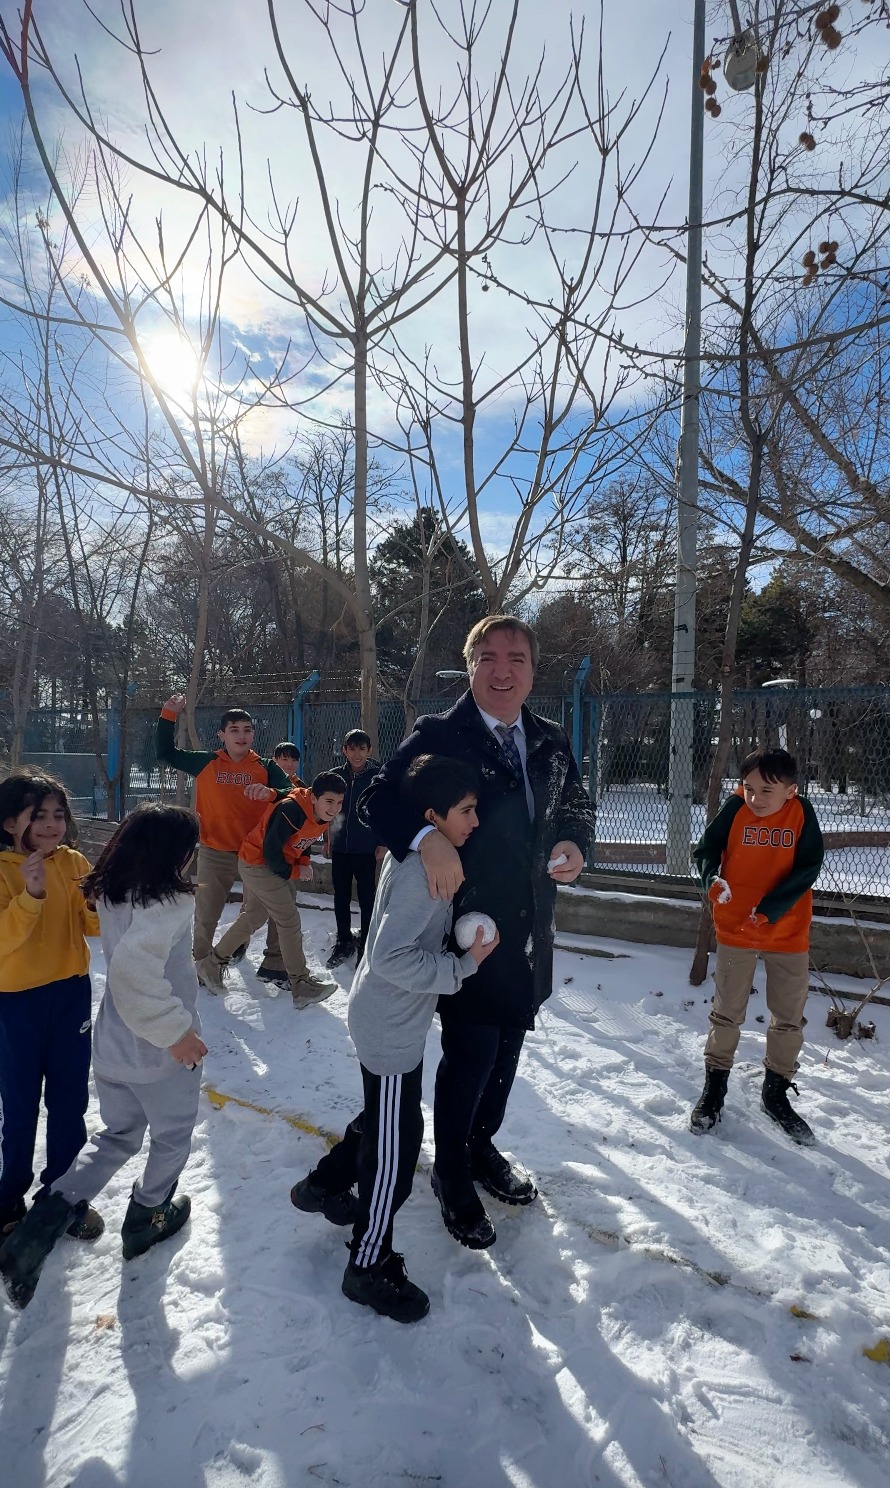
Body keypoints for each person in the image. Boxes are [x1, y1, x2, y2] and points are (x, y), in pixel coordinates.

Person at [361, 616, 593, 1247]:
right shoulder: (442, 735)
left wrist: (575, 843)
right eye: (487, 657)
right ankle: (453, 1171)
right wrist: (426, 838)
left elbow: (576, 802)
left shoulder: (547, 738)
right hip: (469, 931)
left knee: (508, 1050)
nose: (502, 670)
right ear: (469, 667)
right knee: (472, 1056)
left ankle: (481, 1143)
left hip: (530, 930)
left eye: (516, 658)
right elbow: (376, 799)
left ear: (532, 669)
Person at [292, 754, 499, 1323]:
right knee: (396, 1152)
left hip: (386, 1018)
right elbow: (388, 956)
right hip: (390, 1026)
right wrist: (461, 969)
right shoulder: (423, 871)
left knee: (384, 1118)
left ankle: (322, 1186)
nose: (475, 821)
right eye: (466, 811)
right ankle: (368, 1263)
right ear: (433, 814)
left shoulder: (417, 851)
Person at [0, 802, 208, 1309]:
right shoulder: (170, 901)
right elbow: (136, 977)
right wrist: (176, 1032)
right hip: (158, 1049)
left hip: (113, 1044)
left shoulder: (114, 890)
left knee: (117, 1136)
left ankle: (46, 1216)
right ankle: (149, 1214)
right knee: (173, 1136)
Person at [690, 747, 825, 1145]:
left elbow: (809, 867)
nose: (755, 798)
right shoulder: (735, 809)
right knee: (727, 1012)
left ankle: (776, 1091)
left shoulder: (802, 814)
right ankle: (715, 1087)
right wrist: (711, 878)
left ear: (791, 791)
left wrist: (772, 908)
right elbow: (706, 851)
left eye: (767, 789)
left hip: (787, 931)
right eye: (748, 788)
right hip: (736, 929)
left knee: (788, 1016)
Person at [0, 770, 102, 1242]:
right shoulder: (3, 869)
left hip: (70, 995)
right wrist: (32, 895)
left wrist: (98, 901)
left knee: (69, 1101)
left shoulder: (74, 861)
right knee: (19, 1106)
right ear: (8, 821)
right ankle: (8, 1199)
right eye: (37, 815)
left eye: (58, 814)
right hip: (15, 1003)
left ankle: (62, 1194)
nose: (51, 824)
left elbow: (91, 927)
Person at [154, 695, 292, 981]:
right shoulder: (206, 762)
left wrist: (271, 793)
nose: (242, 736)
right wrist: (168, 716)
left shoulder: (266, 767)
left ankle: (268, 961)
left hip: (254, 854)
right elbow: (166, 752)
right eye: (234, 730)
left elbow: (292, 795)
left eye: (247, 729)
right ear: (222, 735)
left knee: (262, 909)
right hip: (215, 850)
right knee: (206, 913)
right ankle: (204, 965)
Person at [199, 772, 346, 1008]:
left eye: (339, 802)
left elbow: (304, 840)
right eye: (329, 801)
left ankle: (211, 964)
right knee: (288, 920)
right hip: (258, 863)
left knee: (254, 916)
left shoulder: (319, 811)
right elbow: (271, 853)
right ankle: (300, 984)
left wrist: (305, 863)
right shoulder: (291, 810)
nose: (334, 808)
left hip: (270, 864)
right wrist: (296, 872)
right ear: (314, 797)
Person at [326, 729, 384, 969]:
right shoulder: (335, 776)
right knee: (340, 896)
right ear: (344, 750)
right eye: (352, 748)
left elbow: (385, 811)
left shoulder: (379, 776)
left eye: (362, 748)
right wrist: (328, 839)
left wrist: (382, 841)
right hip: (340, 847)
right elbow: (327, 811)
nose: (357, 754)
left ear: (369, 750)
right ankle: (343, 940)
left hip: (367, 848)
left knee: (367, 898)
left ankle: (366, 944)